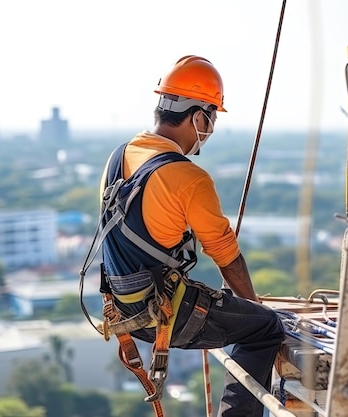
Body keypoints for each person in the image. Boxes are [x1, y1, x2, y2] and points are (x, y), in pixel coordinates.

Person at [95, 55, 285, 417]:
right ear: (198, 116)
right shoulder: (187, 177)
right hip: (163, 312)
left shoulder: (118, 157)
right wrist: (254, 306)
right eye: (210, 119)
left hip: (123, 309)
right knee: (263, 327)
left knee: (239, 312)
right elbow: (226, 256)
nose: (210, 130)